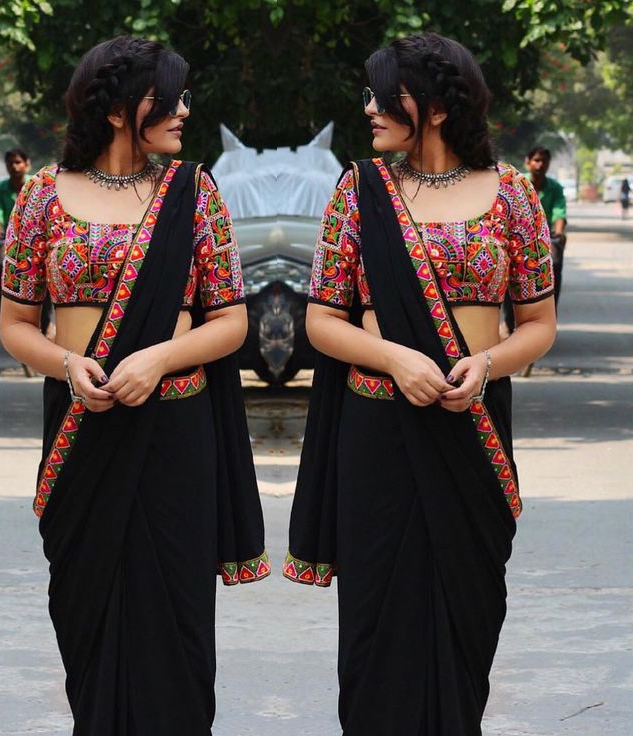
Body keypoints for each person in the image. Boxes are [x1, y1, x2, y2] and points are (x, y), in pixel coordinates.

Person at [284, 33, 556, 735]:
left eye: (385, 96)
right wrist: (395, 359)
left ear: (436, 106)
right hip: (379, 433)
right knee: (378, 617)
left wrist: (486, 364)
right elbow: (321, 322)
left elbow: (536, 324)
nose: (369, 108)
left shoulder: (513, 195)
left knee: (470, 609)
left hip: (472, 426)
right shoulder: (359, 191)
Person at [0, 36, 269, 735]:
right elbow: (18, 325)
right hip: (82, 429)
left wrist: (160, 359)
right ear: (119, 109)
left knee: (176, 618)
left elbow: (231, 322)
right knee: (84, 610)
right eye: (168, 98)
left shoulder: (194, 193)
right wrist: (68, 364)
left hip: (174, 435)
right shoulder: (42, 196)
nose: (184, 111)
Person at [0, 149, 57, 333]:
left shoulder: (36, 184)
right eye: (10, 163)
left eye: (18, 162)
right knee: (1, 266)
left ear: (26, 164)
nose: (14, 166)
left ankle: (45, 321)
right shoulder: (0, 189)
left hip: (37, 240)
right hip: (10, 242)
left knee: (46, 274)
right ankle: (8, 319)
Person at [524, 146, 567, 307]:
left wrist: (559, 233)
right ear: (528, 162)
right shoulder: (518, 183)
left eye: (544, 161)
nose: (540, 165)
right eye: (536, 160)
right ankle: (509, 316)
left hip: (546, 235)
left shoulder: (555, 188)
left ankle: (551, 309)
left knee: (554, 263)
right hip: (519, 235)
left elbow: (559, 212)